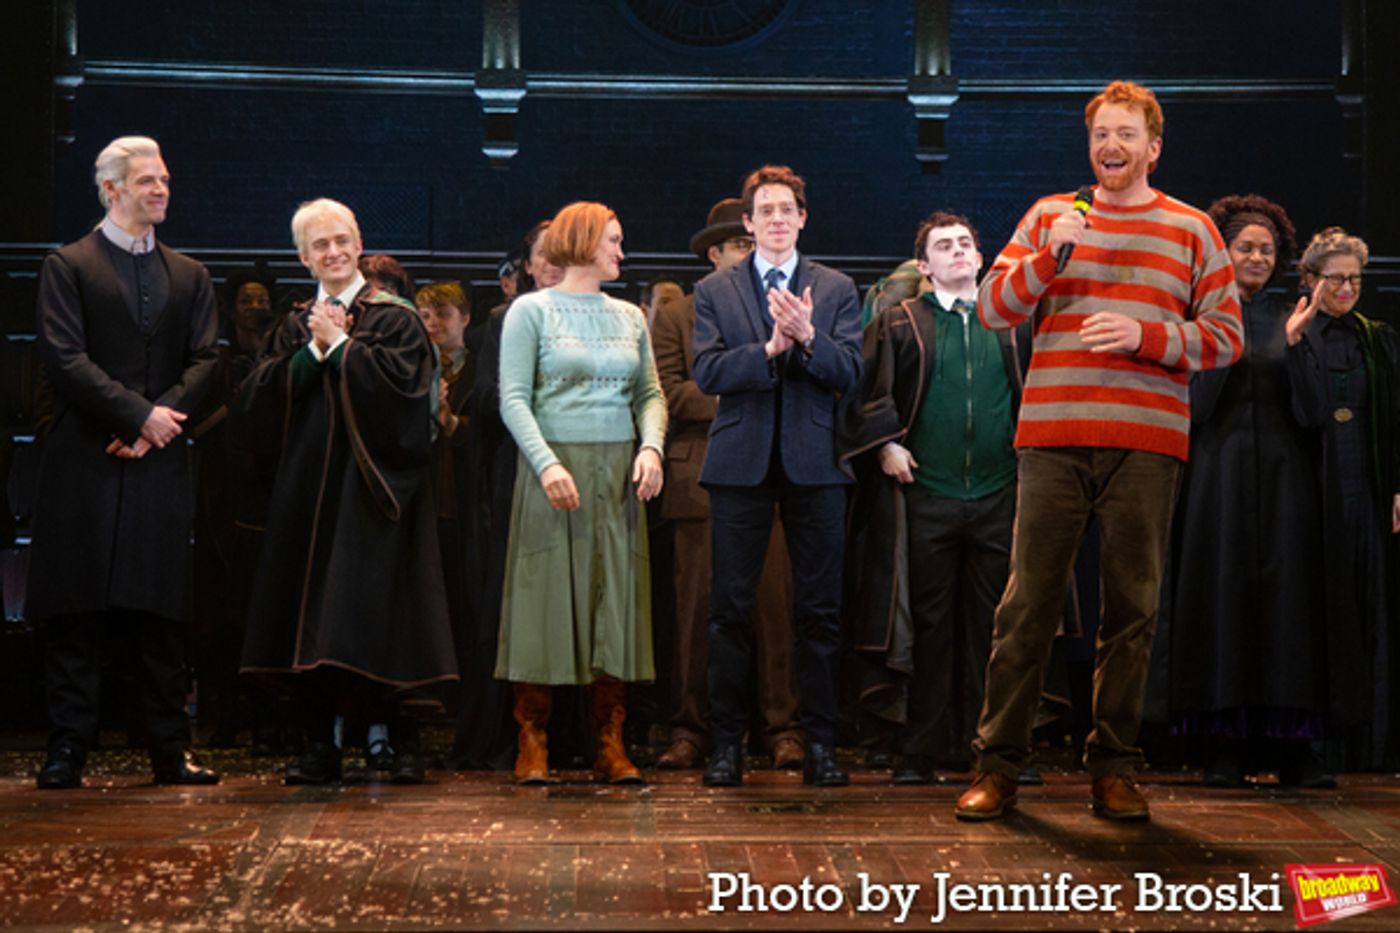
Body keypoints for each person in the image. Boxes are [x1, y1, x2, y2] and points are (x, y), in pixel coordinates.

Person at [954, 80, 1243, 822]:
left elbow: (1227, 336)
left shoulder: (1190, 231)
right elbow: (992, 308)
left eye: (1125, 134)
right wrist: (1045, 262)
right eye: (1099, 135)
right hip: (1053, 436)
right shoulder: (1053, 216)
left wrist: (1147, 336)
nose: (1110, 146)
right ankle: (1000, 766)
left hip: (1145, 443)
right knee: (1027, 606)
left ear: (1153, 146)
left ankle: (1113, 766)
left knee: (1132, 608)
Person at [236, 198, 455, 785]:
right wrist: (314, 350)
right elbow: (258, 399)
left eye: (342, 240)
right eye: (319, 245)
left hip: (376, 491)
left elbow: (408, 400)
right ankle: (320, 743)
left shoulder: (395, 317)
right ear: (304, 258)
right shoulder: (294, 323)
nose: (333, 252)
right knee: (314, 617)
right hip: (311, 495)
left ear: (358, 245)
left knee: (381, 614)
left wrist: (346, 348)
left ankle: (397, 740)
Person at [29, 135, 220, 789]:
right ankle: (67, 750)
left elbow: (205, 361)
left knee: (161, 613)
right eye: (146, 181)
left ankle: (171, 750)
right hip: (84, 458)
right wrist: (137, 416)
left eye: (164, 179)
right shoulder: (69, 265)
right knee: (77, 613)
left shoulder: (190, 274)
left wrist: (156, 421)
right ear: (110, 190)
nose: (160, 189)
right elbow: (63, 357)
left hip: (157, 462)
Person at [694, 165, 863, 787]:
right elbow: (706, 372)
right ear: (748, 222)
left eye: (786, 209)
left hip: (815, 464)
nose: (776, 219)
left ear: (802, 218)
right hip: (740, 463)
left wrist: (809, 336)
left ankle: (821, 746)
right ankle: (725, 746)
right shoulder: (716, 290)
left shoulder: (837, 287)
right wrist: (769, 349)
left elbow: (851, 373)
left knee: (820, 611)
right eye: (764, 210)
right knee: (729, 612)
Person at [841, 212, 1024, 785]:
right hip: (925, 492)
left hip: (1000, 490)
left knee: (997, 625)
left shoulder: (1012, 323)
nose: (958, 252)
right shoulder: (901, 322)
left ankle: (991, 748)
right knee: (929, 623)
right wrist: (885, 447)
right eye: (944, 247)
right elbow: (866, 394)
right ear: (924, 266)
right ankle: (919, 749)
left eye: (966, 243)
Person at [494, 201, 666, 785]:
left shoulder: (629, 316)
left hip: (616, 470)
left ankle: (610, 742)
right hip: (554, 469)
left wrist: (650, 449)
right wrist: (545, 465)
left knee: (612, 601)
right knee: (541, 598)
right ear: (584, 241)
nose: (621, 251)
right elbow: (513, 397)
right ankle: (532, 738)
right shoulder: (531, 311)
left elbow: (650, 394)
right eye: (613, 240)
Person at [1162, 195, 1328, 786]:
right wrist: (1225, 336)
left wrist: (1297, 345)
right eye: (1245, 247)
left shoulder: (1296, 315)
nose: (1257, 256)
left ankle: (1291, 749)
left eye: (1267, 248)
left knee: (1288, 611)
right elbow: (1197, 409)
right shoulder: (1201, 317)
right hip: (1219, 484)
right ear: (1223, 255)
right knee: (1221, 605)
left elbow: (1314, 416)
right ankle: (1223, 745)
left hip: (1286, 488)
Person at [651, 197, 803, 772]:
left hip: (773, 473)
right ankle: (690, 729)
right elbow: (671, 392)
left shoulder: (781, 306)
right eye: (740, 244)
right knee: (697, 615)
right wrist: (743, 383)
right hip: (702, 481)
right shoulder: (680, 314)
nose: (751, 251)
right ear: (715, 253)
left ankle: (780, 728)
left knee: (774, 611)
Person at [449, 220, 566, 771]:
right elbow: (492, 396)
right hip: (516, 470)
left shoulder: (592, 316)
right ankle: (512, 732)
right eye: (542, 255)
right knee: (514, 600)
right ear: (526, 263)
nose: (551, 264)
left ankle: (573, 736)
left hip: (578, 466)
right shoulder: (504, 317)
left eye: (560, 254)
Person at [1284, 226, 1399, 773]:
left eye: (1355, 279)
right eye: (1336, 279)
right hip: (1317, 489)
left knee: (1371, 607)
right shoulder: (1296, 335)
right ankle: (1316, 745)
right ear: (1311, 280)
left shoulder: (1377, 338)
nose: (1348, 289)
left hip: (1368, 487)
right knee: (1323, 609)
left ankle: (1369, 745)